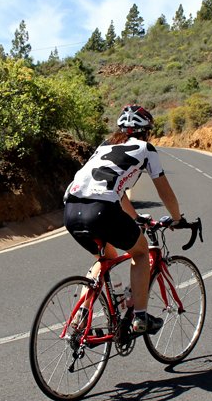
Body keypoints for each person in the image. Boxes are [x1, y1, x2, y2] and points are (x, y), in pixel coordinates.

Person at [63, 104, 186, 334]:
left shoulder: (103, 146)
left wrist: (136, 217)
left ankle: (81, 317)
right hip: (101, 210)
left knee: (105, 258)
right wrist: (177, 218)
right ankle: (140, 318)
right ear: (146, 131)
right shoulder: (145, 148)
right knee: (140, 253)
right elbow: (164, 191)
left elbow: (114, 191)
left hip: (71, 210)